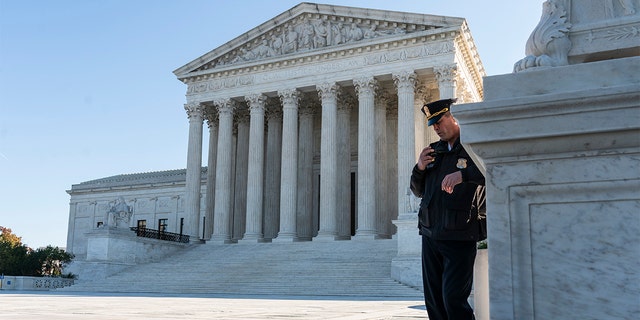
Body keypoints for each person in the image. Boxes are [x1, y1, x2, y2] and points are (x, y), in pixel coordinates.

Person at [410, 98, 486, 320]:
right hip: (431, 233)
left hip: (460, 235)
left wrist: (463, 175)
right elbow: (417, 190)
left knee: (453, 300)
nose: (435, 128)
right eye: (432, 124)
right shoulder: (434, 151)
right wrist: (420, 168)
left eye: (439, 121)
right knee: (433, 302)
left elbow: (492, 171)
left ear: (454, 118)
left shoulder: (473, 145)